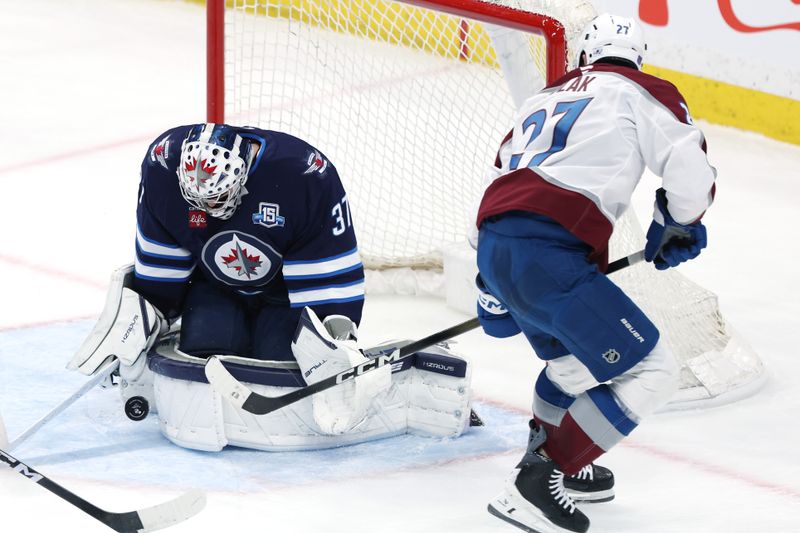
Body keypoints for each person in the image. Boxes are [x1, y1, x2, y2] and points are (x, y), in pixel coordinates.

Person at [473, 14, 714, 533]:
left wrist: (488, 284)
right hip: (551, 253)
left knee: (572, 367)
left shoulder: (545, 98)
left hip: (496, 244)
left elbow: (502, 178)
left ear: (583, 55)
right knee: (653, 370)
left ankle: (555, 456)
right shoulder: (640, 89)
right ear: (638, 57)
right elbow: (688, 165)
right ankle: (537, 482)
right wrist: (677, 221)